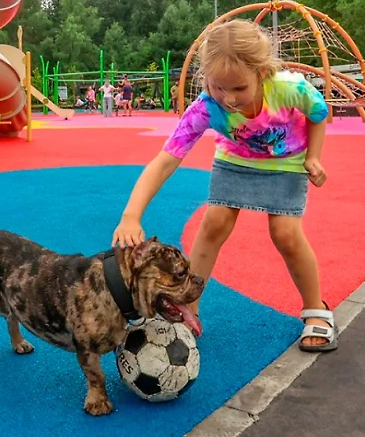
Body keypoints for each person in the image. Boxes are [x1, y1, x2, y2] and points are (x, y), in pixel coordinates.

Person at [111, 19, 337, 352]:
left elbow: (319, 113)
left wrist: (313, 158)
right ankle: (190, 307)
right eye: (219, 87)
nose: (228, 99)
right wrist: (131, 215)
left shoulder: (289, 88)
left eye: (238, 89)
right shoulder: (205, 108)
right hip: (235, 160)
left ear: (261, 73)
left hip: (286, 161)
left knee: (285, 234)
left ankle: (317, 310)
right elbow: (164, 162)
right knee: (214, 223)